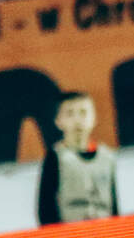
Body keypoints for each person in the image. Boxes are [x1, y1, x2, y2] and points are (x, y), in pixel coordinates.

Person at [38, 92, 119, 225]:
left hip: (104, 230)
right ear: (58, 121)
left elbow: (114, 205)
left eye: (83, 112)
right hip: (72, 232)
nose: (77, 120)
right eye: (70, 114)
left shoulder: (107, 157)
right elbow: (45, 207)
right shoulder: (56, 157)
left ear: (94, 118)